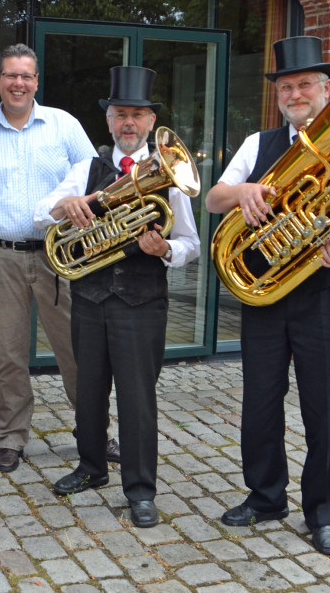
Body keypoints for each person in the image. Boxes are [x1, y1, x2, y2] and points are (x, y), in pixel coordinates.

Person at [205, 36, 330, 556]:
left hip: (326, 295)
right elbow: (213, 198)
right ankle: (266, 497)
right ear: (278, 94)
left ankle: (323, 513)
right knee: (260, 402)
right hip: (266, 293)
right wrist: (243, 192)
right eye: (286, 86)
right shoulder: (257, 144)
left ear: (326, 88)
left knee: (323, 406)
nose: (295, 93)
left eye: (305, 84)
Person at [34, 66, 200, 528]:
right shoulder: (87, 167)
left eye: (138, 116)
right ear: (108, 122)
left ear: (151, 122)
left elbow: (191, 243)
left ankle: (141, 489)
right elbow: (37, 214)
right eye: (120, 114)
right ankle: (91, 468)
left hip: (142, 304)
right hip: (88, 299)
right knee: (88, 393)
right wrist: (62, 206)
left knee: (136, 399)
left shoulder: (170, 173)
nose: (129, 123)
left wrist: (165, 248)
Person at [0, 43, 120, 473]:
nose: (18, 83)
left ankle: (91, 432)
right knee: (7, 353)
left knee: (79, 349)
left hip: (61, 257)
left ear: (36, 81)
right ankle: (11, 437)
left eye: (27, 76)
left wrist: (81, 201)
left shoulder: (63, 125)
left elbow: (99, 179)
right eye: (10, 75)